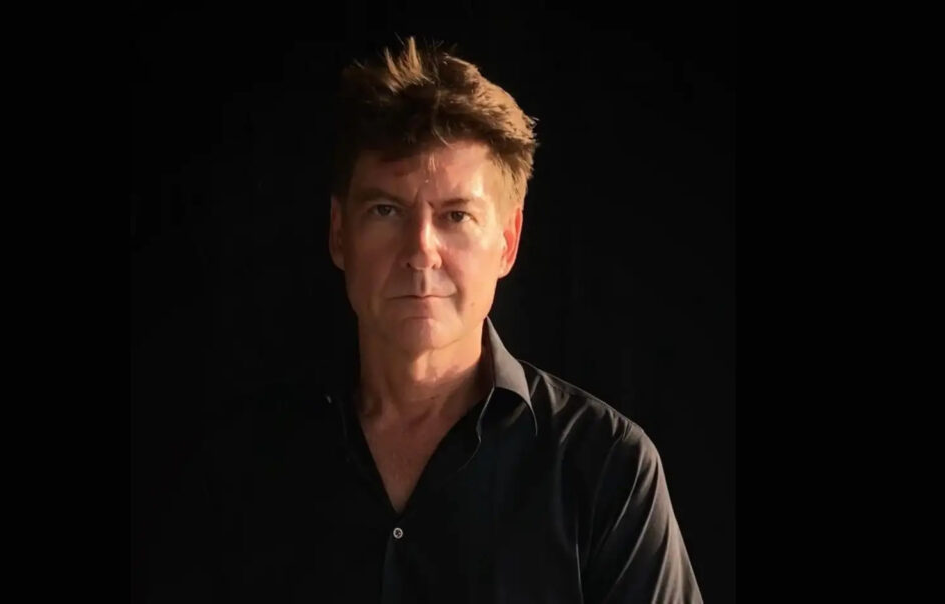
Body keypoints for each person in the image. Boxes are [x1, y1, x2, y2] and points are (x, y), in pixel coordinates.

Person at [147, 36, 703, 603]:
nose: (420, 250)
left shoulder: (607, 466)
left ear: (507, 244)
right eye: (386, 210)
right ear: (340, 233)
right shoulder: (242, 466)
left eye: (456, 215)